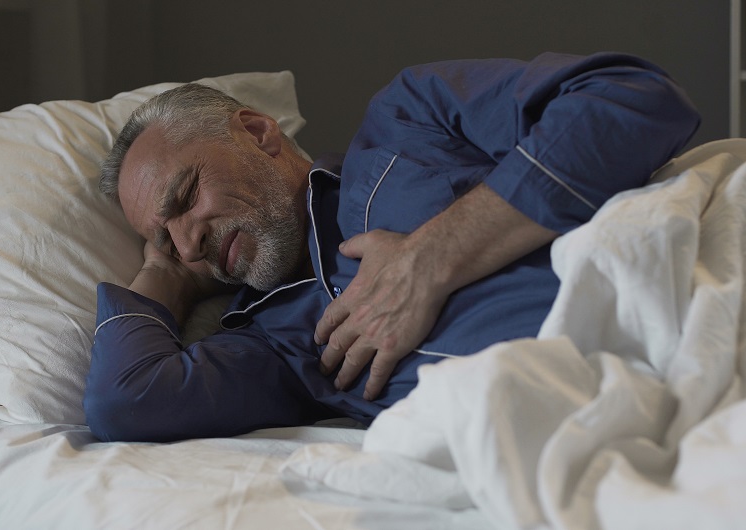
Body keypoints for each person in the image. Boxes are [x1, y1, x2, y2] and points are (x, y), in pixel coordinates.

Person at [83, 52, 699, 442]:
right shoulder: (277, 346)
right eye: (165, 239)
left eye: (187, 194)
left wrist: (431, 257)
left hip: (687, 323)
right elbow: (126, 403)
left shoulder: (409, 120)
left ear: (257, 131)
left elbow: (635, 98)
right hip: (609, 432)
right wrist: (162, 277)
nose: (189, 242)